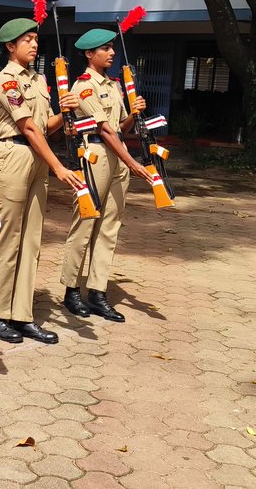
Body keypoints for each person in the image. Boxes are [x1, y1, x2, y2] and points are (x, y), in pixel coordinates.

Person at [0, 18, 83, 345]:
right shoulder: (6, 80)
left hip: (36, 158)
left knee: (31, 241)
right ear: (11, 46)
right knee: (7, 239)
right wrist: (58, 165)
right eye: (26, 40)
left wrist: (64, 114)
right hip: (13, 156)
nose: (34, 44)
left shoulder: (39, 80)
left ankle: (22, 314)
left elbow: (45, 125)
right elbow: (26, 126)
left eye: (35, 39)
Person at [60, 29, 153, 322]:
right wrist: (134, 162)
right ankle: (71, 290)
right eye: (105, 49)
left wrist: (132, 114)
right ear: (89, 54)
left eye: (112, 48)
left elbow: (120, 128)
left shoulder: (114, 85)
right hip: (96, 155)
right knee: (86, 223)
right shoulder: (83, 87)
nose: (112, 53)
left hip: (117, 156)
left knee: (109, 226)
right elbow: (103, 129)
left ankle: (98, 291)